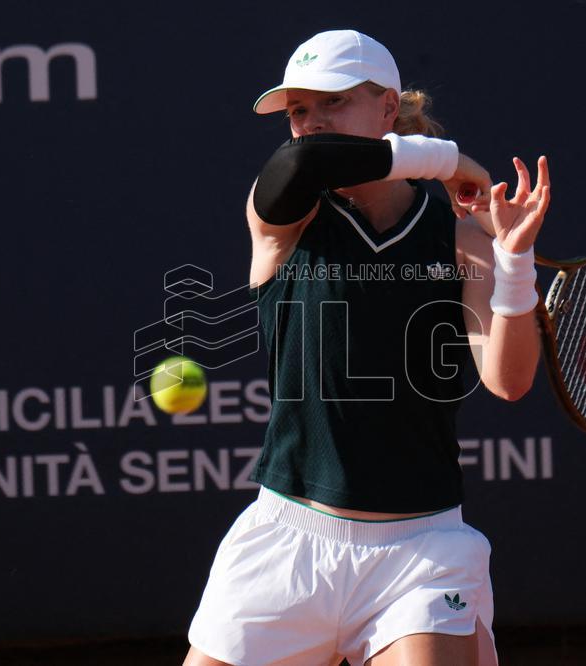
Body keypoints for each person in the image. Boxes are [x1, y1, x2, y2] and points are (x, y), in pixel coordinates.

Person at [185, 29, 549, 666]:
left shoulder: (460, 240)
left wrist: (513, 261)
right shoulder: (284, 217)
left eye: (332, 103)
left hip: (422, 551)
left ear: (389, 109)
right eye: (298, 111)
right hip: (287, 541)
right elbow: (305, 163)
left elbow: (508, 380)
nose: (310, 124)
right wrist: (450, 161)